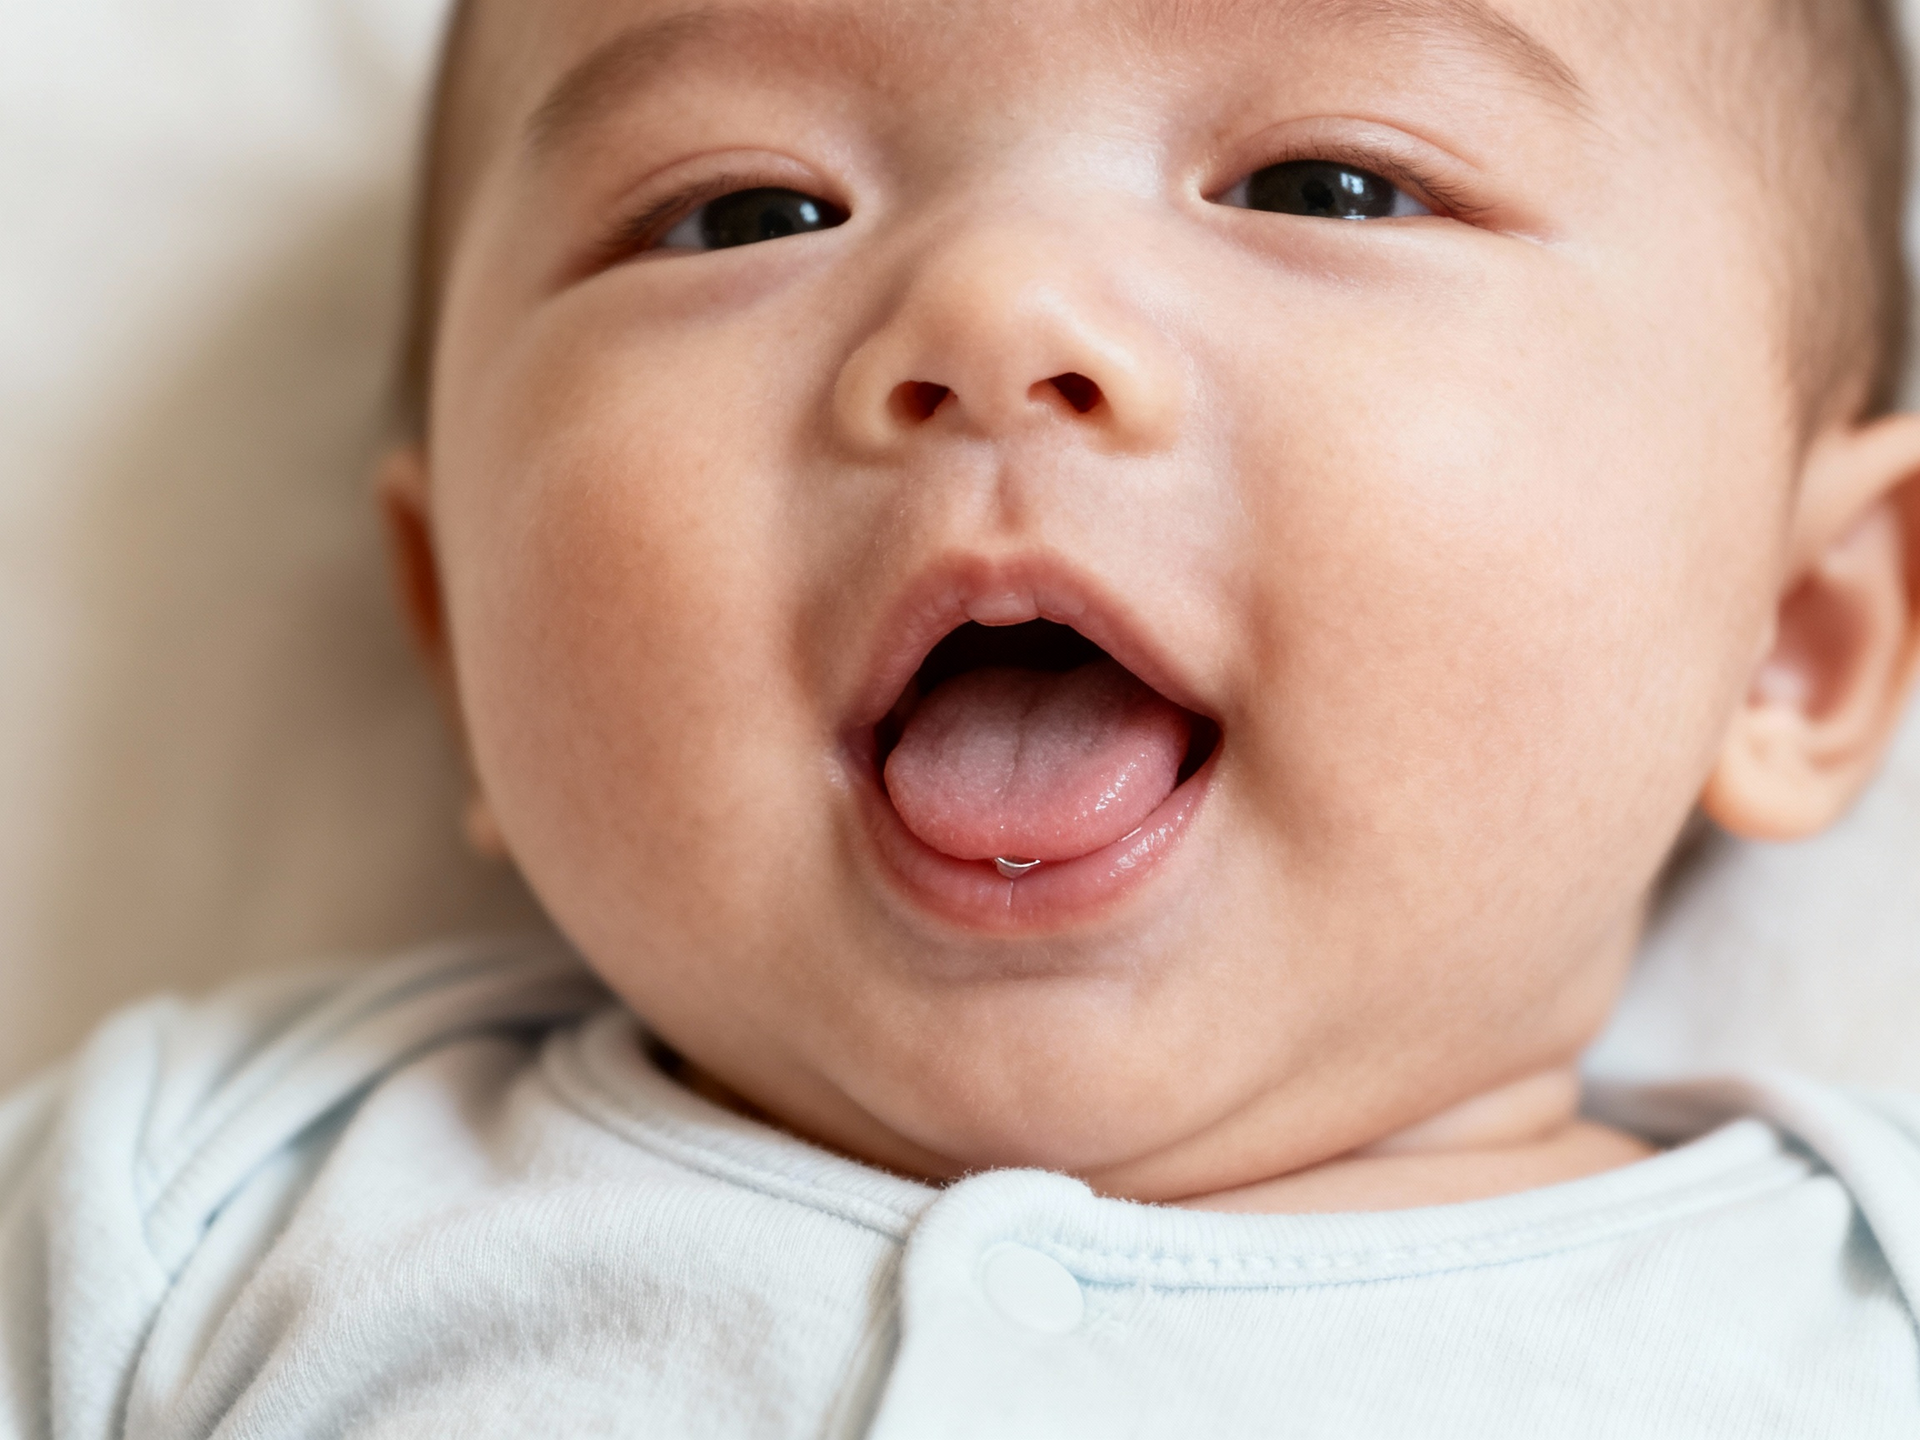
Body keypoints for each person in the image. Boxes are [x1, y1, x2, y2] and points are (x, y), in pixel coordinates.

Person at [6, 0, 1920, 1433]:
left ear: (1797, 641)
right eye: (744, 209)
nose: (997, 311)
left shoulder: (1853, 1325)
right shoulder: (194, 1209)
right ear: (457, 647)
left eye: (1326, 184)